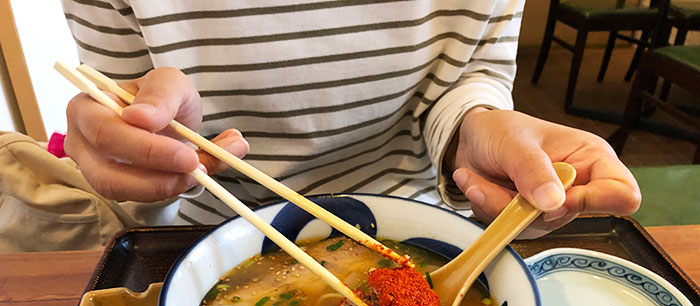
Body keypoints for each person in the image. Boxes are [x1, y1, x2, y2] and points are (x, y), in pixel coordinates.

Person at [60, 0, 640, 238]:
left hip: (429, 231)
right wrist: (135, 143)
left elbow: (468, 74)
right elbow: (124, 106)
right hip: (216, 239)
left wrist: (480, 125)